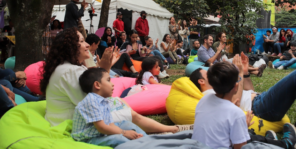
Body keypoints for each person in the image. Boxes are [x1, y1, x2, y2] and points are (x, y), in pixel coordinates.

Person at [40, 28, 180, 133]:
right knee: (129, 113)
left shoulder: (67, 68)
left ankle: (169, 129)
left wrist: (105, 68)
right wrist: (105, 68)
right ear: (70, 47)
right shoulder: (71, 71)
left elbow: (94, 93)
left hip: (69, 117)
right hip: (71, 123)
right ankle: (172, 129)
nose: (87, 45)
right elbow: (93, 101)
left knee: (123, 104)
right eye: (82, 41)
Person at [191, 60, 296, 149]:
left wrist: (244, 73)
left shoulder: (203, 100)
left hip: (256, 100)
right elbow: (241, 147)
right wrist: (243, 128)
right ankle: (285, 144)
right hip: (260, 106)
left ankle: (270, 140)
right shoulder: (236, 113)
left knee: (249, 136)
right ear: (236, 86)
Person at [71, 68, 146, 147]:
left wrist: (126, 132)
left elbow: (111, 124)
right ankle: (138, 145)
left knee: (127, 124)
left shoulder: (104, 100)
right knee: (119, 139)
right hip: (88, 138)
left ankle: (147, 140)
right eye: (108, 80)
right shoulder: (91, 100)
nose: (112, 84)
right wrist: (124, 133)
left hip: (101, 133)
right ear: (97, 85)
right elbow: (101, 128)